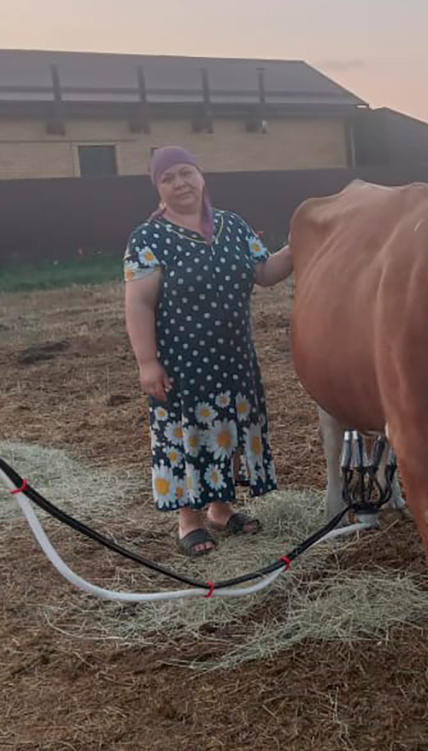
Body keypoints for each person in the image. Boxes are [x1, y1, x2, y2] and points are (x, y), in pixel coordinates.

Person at [123, 146, 293, 556]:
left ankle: (221, 508)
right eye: (168, 178)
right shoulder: (149, 239)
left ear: (201, 176)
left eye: (186, 173)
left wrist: (302, 242)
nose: (180, 183)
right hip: (182, 362)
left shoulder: (232, 225)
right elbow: (139, 303)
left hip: (234, 358)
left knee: (228, 433)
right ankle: (190, 521)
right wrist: (148, 362)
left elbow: (265, 272)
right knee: (187, 438)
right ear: (158, 188)